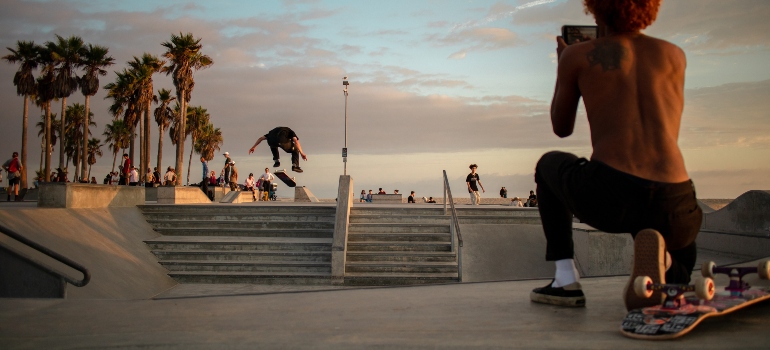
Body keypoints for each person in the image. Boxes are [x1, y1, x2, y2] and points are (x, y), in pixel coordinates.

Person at [529, 0, 703, 312]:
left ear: (594, 8)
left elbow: (561, 127)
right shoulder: (674, 54)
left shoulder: (577, 55)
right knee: (681, 262)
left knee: (548, 165)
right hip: (676, 201)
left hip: (612, 196)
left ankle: (565, 280)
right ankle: (664, 260)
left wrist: (564, 66)